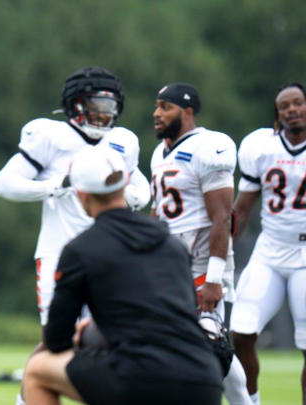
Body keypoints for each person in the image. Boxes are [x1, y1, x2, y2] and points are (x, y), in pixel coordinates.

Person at [0, 67, 150, 404]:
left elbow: (142, 188)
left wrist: (129, 196)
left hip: (110, 255)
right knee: (55, 339)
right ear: (76, 104)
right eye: (97, 105)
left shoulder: (123, 141)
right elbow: (5, 184)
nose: (104, 115)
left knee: (107, 337)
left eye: (110, 107)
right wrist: (56, 187)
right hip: (60, 252)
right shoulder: (49, 136)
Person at [22, 146, 223, 405]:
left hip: (139, 378)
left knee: (37, 370)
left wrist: (85, 335)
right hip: (204, 379)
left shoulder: (81, 249)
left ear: (81, 195)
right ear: (125, 183)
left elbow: (56, 340)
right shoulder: (171, 243)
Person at [150, 83, 252, 404]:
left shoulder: (210, 146)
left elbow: (222, 217)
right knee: (182, 347)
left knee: (213, 349)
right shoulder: (158, 152)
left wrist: (213, 279)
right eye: (156, 106)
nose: (157, 113)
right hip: (169, 266)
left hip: (200, 264)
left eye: (166, 107)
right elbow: (158, 214)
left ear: (188, 111)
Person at [230, 82, 306, 405]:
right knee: (240, 333)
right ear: (277, 114)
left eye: (298, 103)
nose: (292, 109)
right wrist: (220, 250)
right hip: (270, 251)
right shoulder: (260, 148)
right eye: (284, 106)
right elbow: (243, 208)